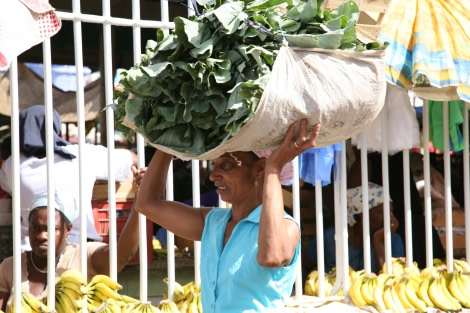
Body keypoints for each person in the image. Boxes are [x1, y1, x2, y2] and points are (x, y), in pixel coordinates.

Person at [135, 119, 321, 312]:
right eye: (214, 165)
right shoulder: (213, 222)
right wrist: (168, 141)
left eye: (226, 165)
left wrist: (273, 170)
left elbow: (271, 257)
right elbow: (147, 204)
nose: (213, 175)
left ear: (258, 169)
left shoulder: (287, 227)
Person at [0, 165, 145, 313]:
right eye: (35, 228)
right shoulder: (10, 267)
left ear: (67, 230)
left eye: (51, 229)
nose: (41, 236)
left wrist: (140, 199)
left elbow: (122, 255)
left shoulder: (83, 256)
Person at [0, 104, 138, 251]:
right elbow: (133, 159)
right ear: (55, 127)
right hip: (78, 248)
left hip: (30, 253)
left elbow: (7, 186)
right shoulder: (81, 154)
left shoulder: (12, 165)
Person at [307, 183, 405, 274]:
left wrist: (378, 240)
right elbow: (302, 265)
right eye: (384, 212)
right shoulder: (330, 238)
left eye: (391, 212)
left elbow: (389, 281)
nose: (391, 218)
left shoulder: (393, 240)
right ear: (363, 214)